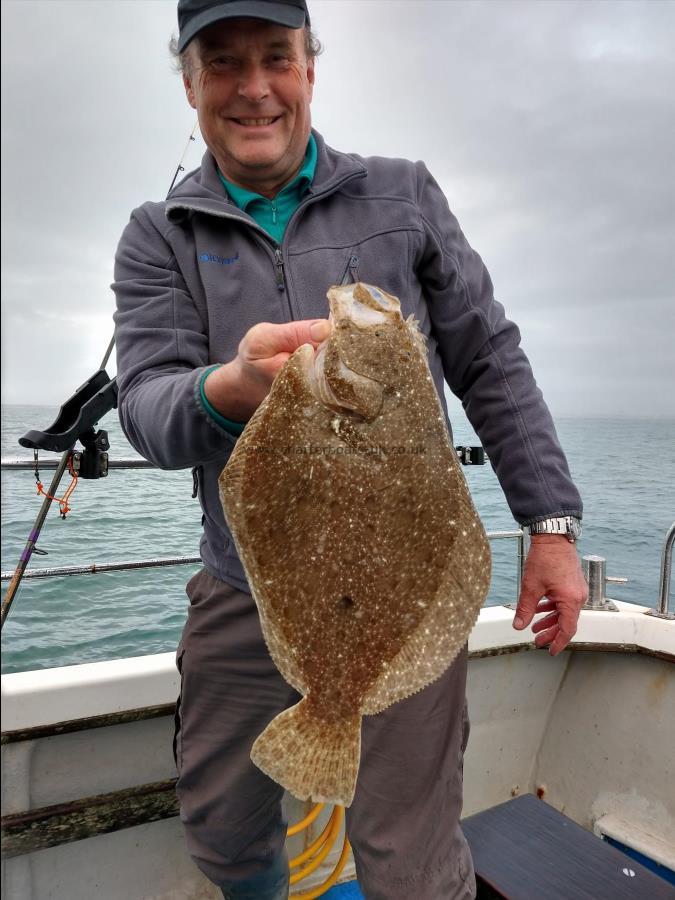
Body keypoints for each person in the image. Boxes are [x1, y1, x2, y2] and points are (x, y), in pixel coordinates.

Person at [112, 1, 588, 897]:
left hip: (403, 588)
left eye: (275, 58)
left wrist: (551, 527)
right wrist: (232, 386)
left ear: (309, 69)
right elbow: (145, 410)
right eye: (222, 63)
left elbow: (488, 357)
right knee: (220, 829)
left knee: (407, 861)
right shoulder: (159, 233)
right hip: (245, 583)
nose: (254, 87)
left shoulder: (401, 192)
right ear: (189, 83)